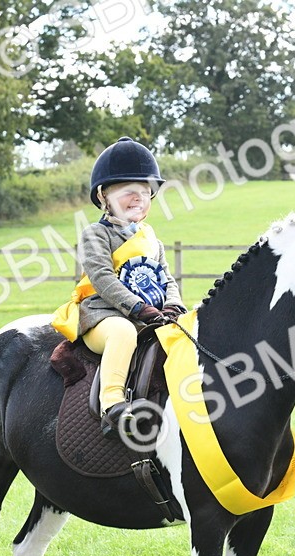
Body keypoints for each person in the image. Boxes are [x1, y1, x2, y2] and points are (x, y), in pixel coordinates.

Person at [52, 137, 186, 438]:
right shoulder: (96, 235)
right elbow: (103, 278)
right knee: (122, 332)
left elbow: (166, 278)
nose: (138, 198)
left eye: (145, 192)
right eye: (128, 191)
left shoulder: (152, 240)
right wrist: (137, 307)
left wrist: (173, 306)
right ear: (104, 195)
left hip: (151, 316)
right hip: (104, 317)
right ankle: (112, 404)